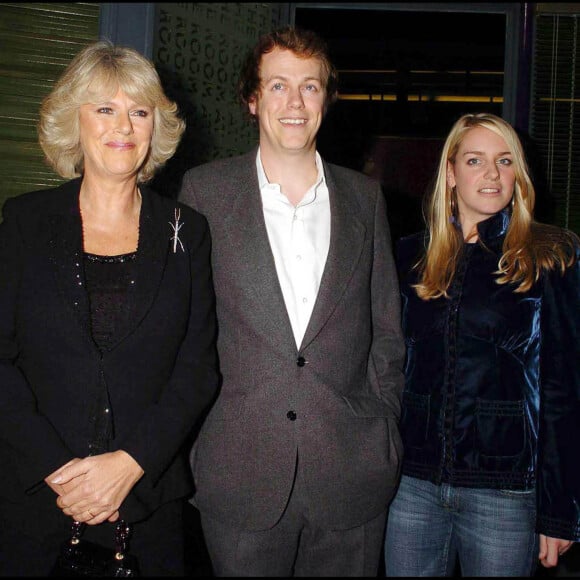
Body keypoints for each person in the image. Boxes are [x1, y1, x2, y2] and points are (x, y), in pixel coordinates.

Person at [178, 26, 405, 577]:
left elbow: (386, 329)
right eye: (278, 86)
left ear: (326, 99)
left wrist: (384, 424)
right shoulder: (203, 193)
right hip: (240, 473)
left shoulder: (365, 197)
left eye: (310, 86)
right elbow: (184, 332)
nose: (295, 103)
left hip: (353, 471)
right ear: (252, 99)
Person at [0, 40, 219, 576]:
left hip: (146, 503)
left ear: (154, 127)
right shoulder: (25, 222)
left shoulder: (185, 231)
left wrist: (130, 464)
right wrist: (60, 472)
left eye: (138, 111)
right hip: (36, 500)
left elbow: (197, 369)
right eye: (104, 108)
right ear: (74, 121)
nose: (123, 125)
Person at [384, 112, 580, 577]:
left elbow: (563, 390)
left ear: (519, 173)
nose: (491, 174)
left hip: (505, 493)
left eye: (504, 160)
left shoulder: (551, 255)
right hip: (410, 484)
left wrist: (560, 510)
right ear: (450, 173)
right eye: (475, 160)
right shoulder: (408, 254)